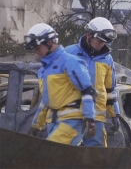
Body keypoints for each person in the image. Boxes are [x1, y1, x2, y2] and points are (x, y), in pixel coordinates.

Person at [25, 23, 96, 145]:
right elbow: (45, 102)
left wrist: (89, 118)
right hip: (53, 122)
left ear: (49, 42)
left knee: (49, 154)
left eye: (37, 47)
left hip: (72, 121)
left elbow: (88, 91)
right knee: (58, 161)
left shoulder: (70, 62)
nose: (36, 52)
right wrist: (36, 126)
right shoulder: (43, 70)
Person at [65, 17, 120, 147]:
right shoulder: (69, 53)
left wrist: (115, 114)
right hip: (71, 116)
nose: (102, 44)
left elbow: (110, 89)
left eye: (105, 41)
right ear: (89, 35)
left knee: (97, 158)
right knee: (66, 155)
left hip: (97, 118)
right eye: (100, 40)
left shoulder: (107, 59)